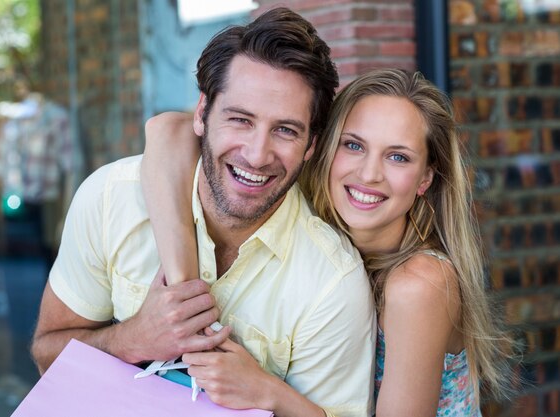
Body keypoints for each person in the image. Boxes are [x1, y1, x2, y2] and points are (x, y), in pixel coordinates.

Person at [31, 7, 376, 417]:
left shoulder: (332, 282)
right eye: (240, 119)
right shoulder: (110, 200)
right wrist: (130, 340)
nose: (256, 154)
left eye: (285, 130)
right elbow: (45, 355)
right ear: (201, 113)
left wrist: (265, 392)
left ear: (312, 146)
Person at [141, 68, 513, 416]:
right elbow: (167, 131)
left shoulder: (419, 285)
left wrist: (267, 390)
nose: (369, 173)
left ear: (424, 180)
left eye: (397, 157)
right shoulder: (312, 222)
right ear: (321, 148)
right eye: (353, 146)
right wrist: (186, 291)